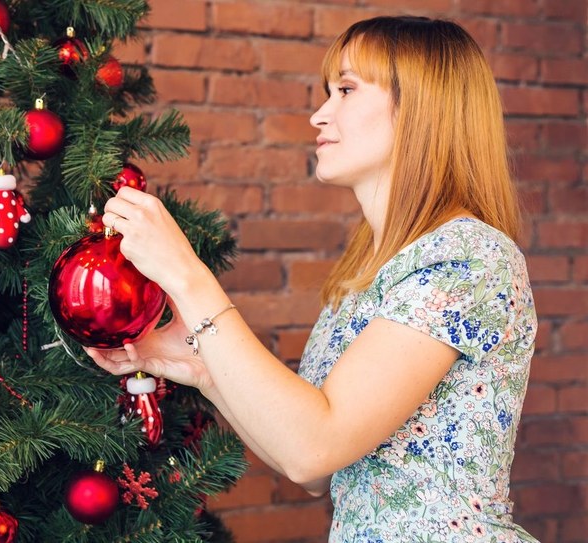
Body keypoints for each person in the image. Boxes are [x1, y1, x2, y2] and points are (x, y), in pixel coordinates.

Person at [87, 15, 539, 542]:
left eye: (346, 89)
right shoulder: (370, 272)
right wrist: (198, 363)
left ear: (422, 107)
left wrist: (186, 274)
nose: (318, 115)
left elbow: (313, 448)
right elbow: (314, 469)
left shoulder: (469, 258)